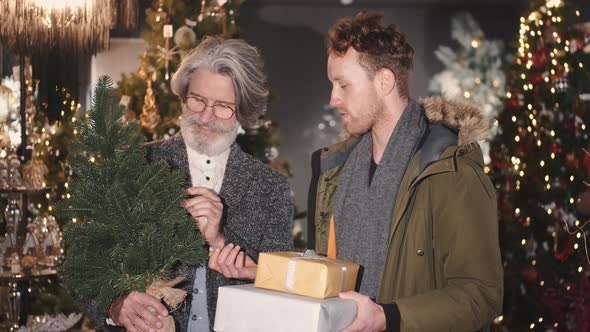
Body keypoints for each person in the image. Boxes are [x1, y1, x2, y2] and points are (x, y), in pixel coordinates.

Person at [307, 11, 503, 332]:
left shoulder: (449, 171)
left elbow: (481, 296)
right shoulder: (336, 172)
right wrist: (258, 271)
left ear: (384, 81)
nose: (333, 98)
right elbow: (328, 271)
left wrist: (388, 318)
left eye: (343, 84)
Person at [105, 37, 294, 332]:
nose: (206, 116)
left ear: (243, 111)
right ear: (183, 96)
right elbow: (83, 265)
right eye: (198, 99)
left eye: (222, 106)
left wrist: (221, 239)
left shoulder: (270, 187)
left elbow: (284, 283)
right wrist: (115, 306)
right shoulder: (138, 163)